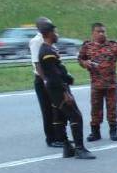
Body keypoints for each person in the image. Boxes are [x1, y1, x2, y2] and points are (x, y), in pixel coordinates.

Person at [38, 23, 94, 159]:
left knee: (59, 117)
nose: (57, 35)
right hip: (58, 89)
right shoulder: (47, 52)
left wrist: (68, 78)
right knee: (75, 116)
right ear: (50, 33)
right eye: (55, 32)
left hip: (54, 88)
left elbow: (57, 72)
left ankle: (67, 147)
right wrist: (65, 92)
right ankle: (80, 149)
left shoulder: (47, 49)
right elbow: (54, 75)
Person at [30, 16, 63, 147]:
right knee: (47, 110)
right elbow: (37, 63)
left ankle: (59, 137)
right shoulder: (36, 41)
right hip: (43, 79)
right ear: (40, 27)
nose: (50, 27)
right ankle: (51, 138)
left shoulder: (48, 40)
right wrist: (45, 81)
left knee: (57, 108)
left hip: (52, 78)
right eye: (48, 25)